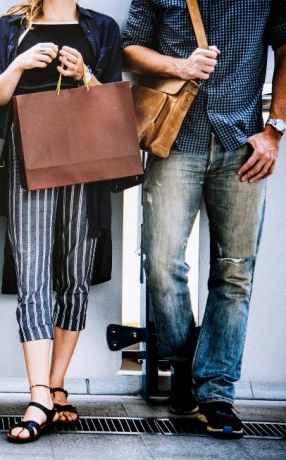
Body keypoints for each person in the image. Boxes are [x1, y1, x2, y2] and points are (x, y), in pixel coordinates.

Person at [123, 0, 285, 439]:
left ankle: (215, 392)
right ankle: (184, 365)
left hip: (244, 143)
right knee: (160, 264)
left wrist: (276, 129)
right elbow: (129, 48)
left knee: (235, 273)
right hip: (175, 139)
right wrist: (180, 65)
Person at [0, 0, 122, 443]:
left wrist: (84, 74)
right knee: (33, 270)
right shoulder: (12, 26)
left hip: (86, 158)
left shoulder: (102, 28)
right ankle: (38, 393)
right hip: (28, 155)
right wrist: (20, 64)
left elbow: (112, 98)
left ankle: (57, 384)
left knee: (75, 273)